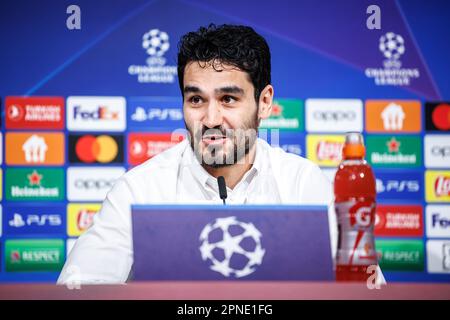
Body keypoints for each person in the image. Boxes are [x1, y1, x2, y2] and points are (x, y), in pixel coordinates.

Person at [58, 24, 382, 285]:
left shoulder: (303, 183)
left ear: (264, 102)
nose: (211, 119)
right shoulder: (139, 189)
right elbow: (81, 286)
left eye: (228, 99)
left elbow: (366, 288)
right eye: (196, 100)